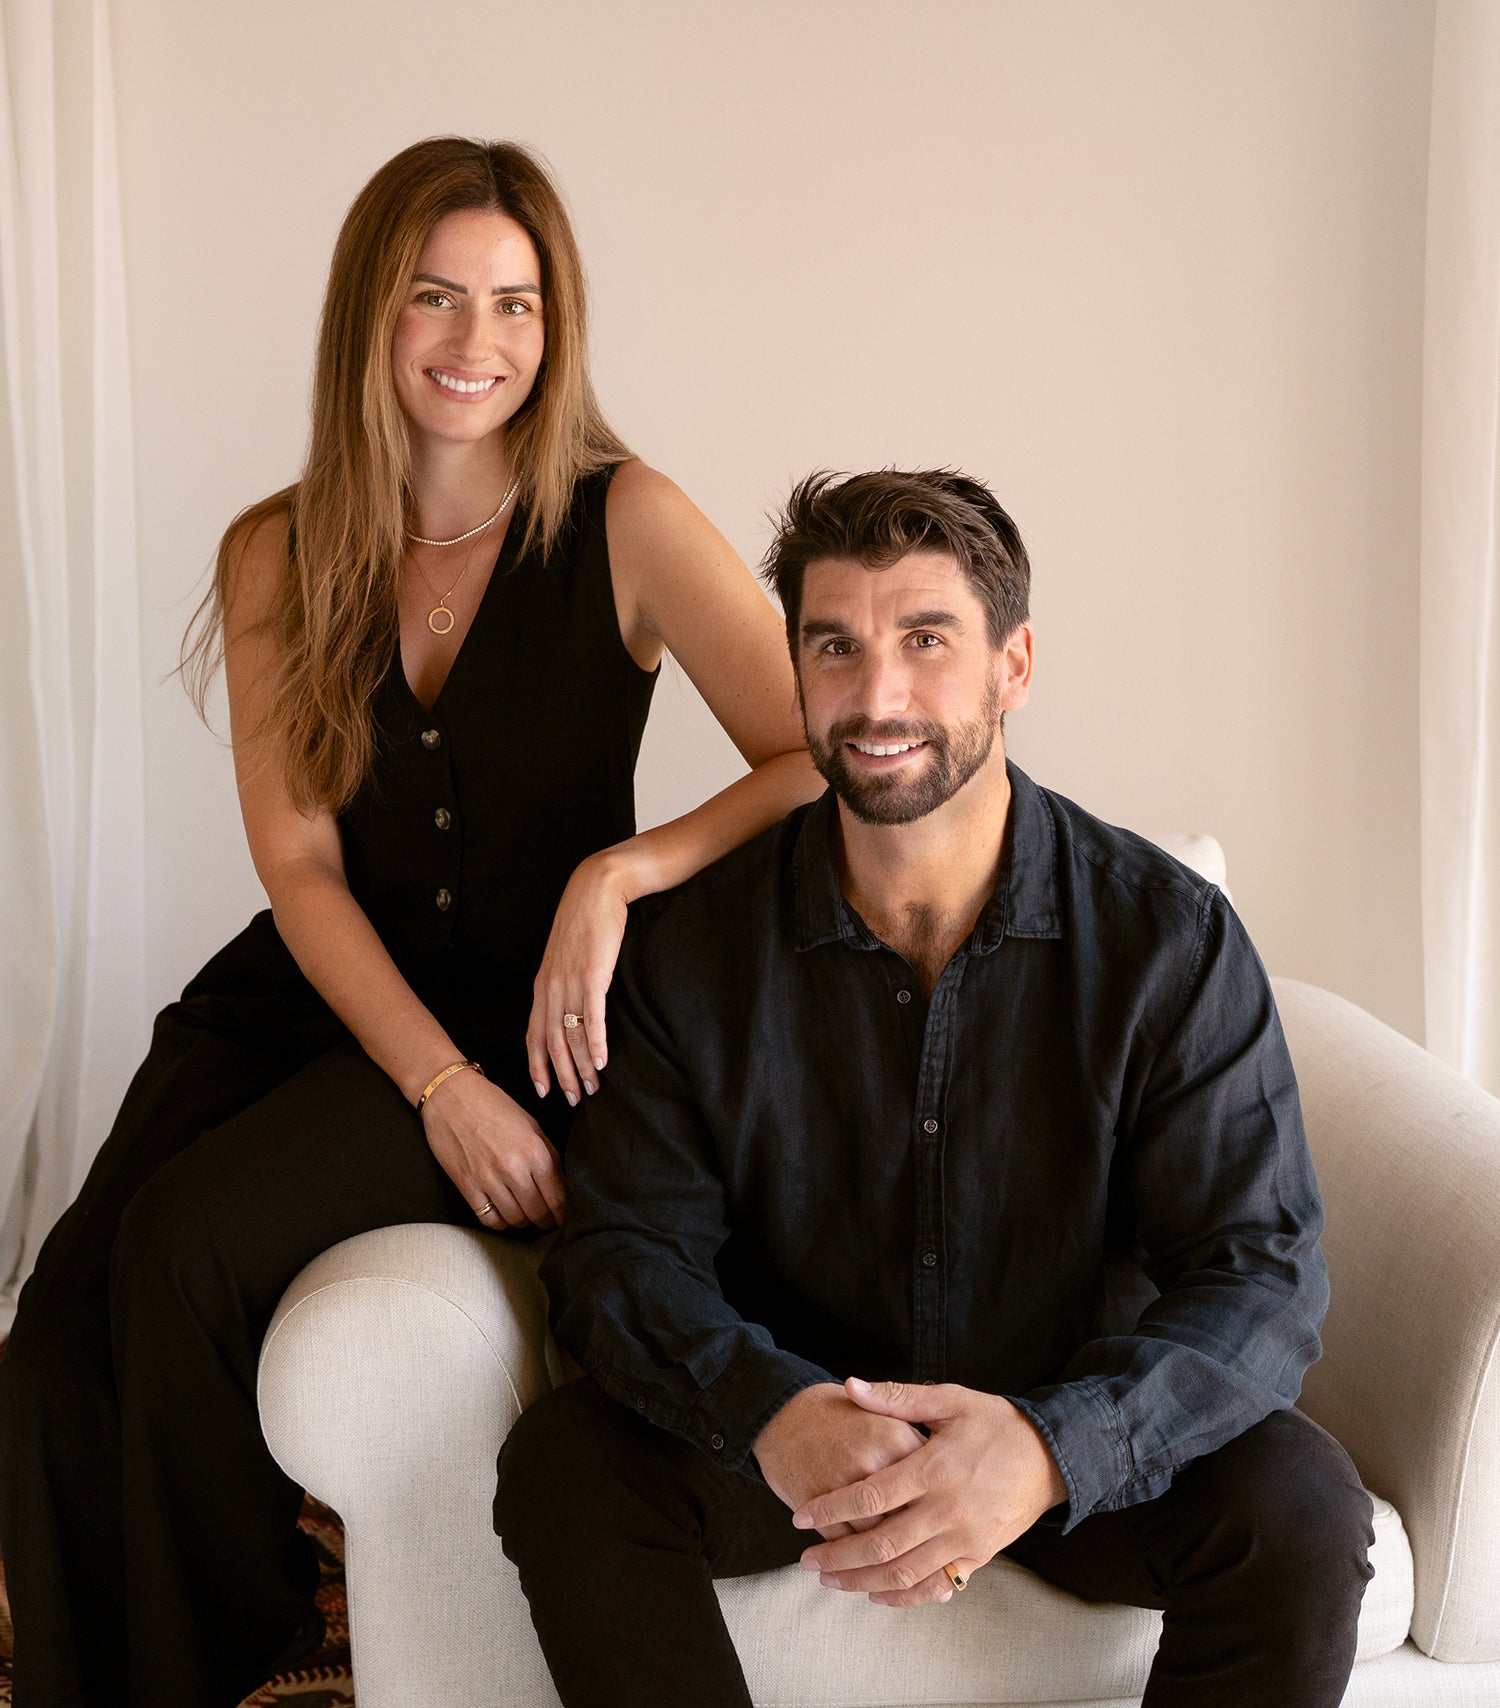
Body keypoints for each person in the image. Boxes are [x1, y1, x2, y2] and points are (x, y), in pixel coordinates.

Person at [0, 137, 822, 1708]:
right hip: (315, 995)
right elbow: (300, 868)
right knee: (51, 1333)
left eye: (515, 306)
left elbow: (810, 757)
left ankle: (225, 1657)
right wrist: (433, 1089)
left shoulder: (626, 518)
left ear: (554, 327)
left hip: (527, 1014)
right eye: (436, 298)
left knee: (185, 1253)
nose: (476, 342)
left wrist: (626, 872)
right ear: (371, 316)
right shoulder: (276, 550)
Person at [494, 469, 1376, 1708]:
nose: (877, 696)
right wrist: (778, 1411)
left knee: (1302, 1507)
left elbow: (1261, 1274)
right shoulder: (693, 953)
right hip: (799, 1446)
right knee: (566, 1469)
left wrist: (1049, 1448)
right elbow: (623, 1256)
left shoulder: (1168, 941)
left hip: (1070, 1448)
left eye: (925, 641)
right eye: (835, 647)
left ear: (1014, 666)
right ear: (797, 670)